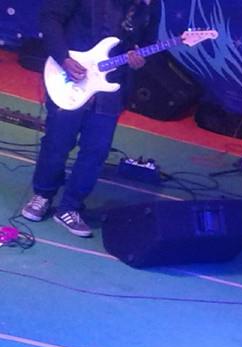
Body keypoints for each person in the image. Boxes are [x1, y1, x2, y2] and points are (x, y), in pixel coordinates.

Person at [20, 0, 156, 237]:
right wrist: (63, 57)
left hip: (110, 86)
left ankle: (70, 207)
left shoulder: (147, 5)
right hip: (70, 73)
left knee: (96, 151)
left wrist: (139, 59)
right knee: (57, 142)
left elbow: (146, 42)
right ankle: (43, 194)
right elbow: (51, 17)